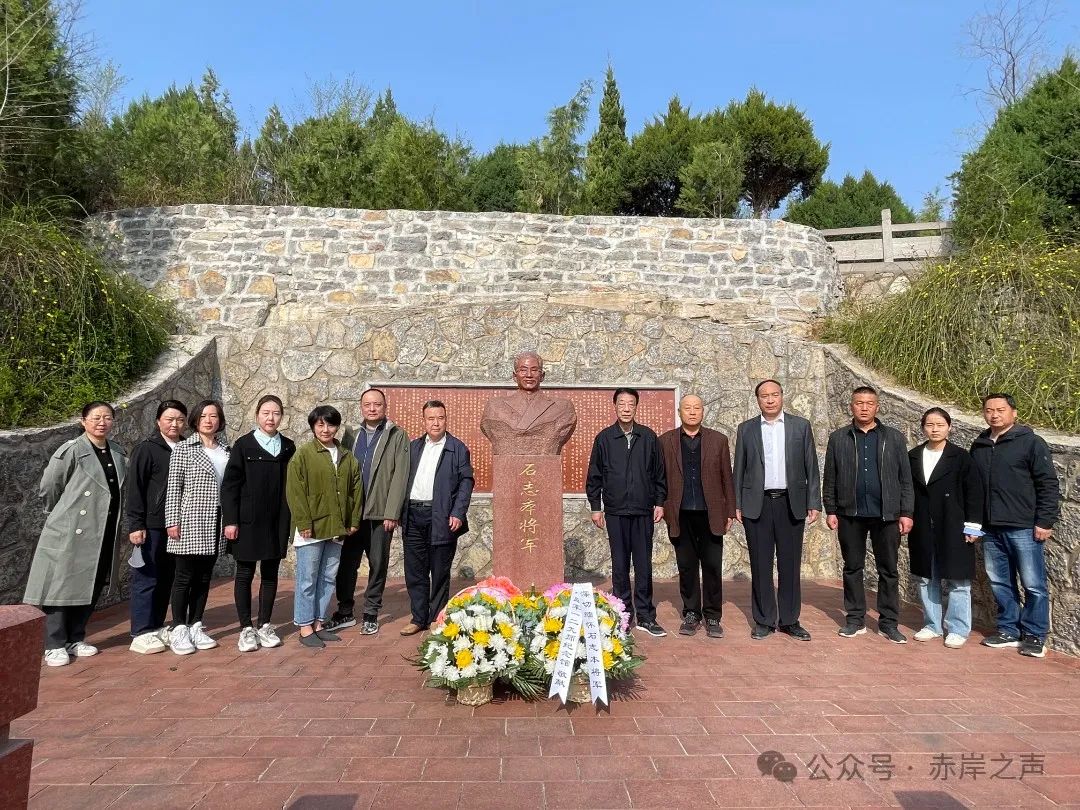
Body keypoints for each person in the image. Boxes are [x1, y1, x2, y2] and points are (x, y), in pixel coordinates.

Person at [25, 402, 127, 667]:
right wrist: (63, 515)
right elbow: (49, 487)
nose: (101, 422)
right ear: (83, 421)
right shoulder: (72, 450)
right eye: (95, 418)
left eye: (107, 417)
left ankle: (75, 637)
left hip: (103, 529)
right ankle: (54, 643)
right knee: (60, 585)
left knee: (91, 582)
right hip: (71, 529)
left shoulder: (117, 452)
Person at [971, 393, 1060, 658]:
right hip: (990, 528)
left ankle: (1034, 635)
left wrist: (1045, 520)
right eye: (989, 410)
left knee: (1033, 584)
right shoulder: (980, 445)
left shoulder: (1031, 443)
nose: (994, 415)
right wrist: (975, 524)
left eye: (1000, 409)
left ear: (1014, 413)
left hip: (1023, 526)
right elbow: (974, 488)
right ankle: (1009, 629)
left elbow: (1048, 484)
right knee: (1000, 582)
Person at [822, 386, 914, 643]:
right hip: (850, 514)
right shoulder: (838, 438)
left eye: (869, 403)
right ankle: (855, 619)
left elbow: (905, 479)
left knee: (889, 570)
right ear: (851, 406)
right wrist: (831, 509)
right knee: (852, 568)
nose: (864, 407)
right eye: (859, 403)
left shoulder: (894, 438)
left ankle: (888, 623)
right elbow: (830, 477)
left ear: (877, 406)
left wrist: (906, 512)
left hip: (886, 515)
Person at [734, 380, 821, 641]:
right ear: (757, 400)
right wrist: (737, 503)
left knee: (790, 564)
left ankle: (790, 620)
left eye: (774, 395)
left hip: (790, 503)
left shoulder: (800, 426)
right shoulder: (746, 429)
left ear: (782, 396)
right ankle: (763, 620)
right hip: (757, 504)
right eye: (764, 396)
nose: (770, 400)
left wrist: (813, 502)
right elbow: (739, 468)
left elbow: (811, 467)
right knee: (760, 564)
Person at [325, 388, 409, 635]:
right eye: (367, 405)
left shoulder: (397, 435)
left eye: (377, 405)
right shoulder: (351, 435)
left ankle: (371, 612)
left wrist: (392, 512)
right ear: (361, 407)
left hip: (381, 514)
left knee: (377, 563)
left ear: (385, 407)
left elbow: (400, 476)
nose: (372, 409)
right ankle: (345, 611)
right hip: (353, 514)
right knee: (346, 565)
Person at [586, 388, 668, 637]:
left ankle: (645, 616)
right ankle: (622, 614)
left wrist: (660, 502)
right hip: (616, 511)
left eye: (630, 404)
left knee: (643, 564)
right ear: (615, 406)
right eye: (621, 403)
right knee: (620, 564)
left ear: (636, 407)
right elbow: (595, 475)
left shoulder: (648, 437)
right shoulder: (604, 438)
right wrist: (596, 507)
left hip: (643, 511)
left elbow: (659, 474)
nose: (625, 408)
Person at [220, 395, 296, 652]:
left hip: (276, 521)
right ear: (257, 415)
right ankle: (245, 628)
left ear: (281, 416)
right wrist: (231, 520)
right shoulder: (244, 445)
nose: (270, 418)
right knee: (244, 574)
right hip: (247, 521)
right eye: (266, 412)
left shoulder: (288, 447)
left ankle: (265, 624)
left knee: (270, 574)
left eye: (275, 413)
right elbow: (230, 486)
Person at [658, 394, 735, 639]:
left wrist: (730, 510)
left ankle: (713, 615)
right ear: (680, 412)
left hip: (711, 513)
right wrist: (661, 506)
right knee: (686, 566)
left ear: (703, 411)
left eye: (697, 408)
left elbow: (727, 478)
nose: (692, 412)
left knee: (712, 566)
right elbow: (660, 479)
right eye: (687, 408)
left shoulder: (718, 440)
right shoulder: (666, 441)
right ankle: (691, 613)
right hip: (680, 514)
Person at [286, 405, 363, 649]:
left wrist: (353, 521)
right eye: (320, 424)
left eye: (330, 424)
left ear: (337, 427)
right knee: (308, 578)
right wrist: (304, 523)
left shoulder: (346, 456)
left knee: (328, 577)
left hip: (337, 527)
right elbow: (295, 492)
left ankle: (319, 622)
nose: (325, 429)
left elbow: (356, 491)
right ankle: (305, 625)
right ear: (313, 427)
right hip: (311, 527)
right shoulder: (303, 454)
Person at [908, 407, 985, 649]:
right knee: (924, 577)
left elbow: (974, 492)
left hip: (953, 525)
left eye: (940, 424)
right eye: (930, 425)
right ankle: (932, 624)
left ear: (949, 427)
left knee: (957, 579)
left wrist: (973, 526)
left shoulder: (961, 457)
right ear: (923, 427)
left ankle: (958, 628)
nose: (934, 429)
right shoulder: (913, 456)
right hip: (922, 525)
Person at [400, 400, 474, 636]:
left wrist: (458, 512)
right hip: (413, 515)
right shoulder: (413, 447)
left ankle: (437, 616)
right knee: (415, 570)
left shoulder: (457, 448)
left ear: (445, 419)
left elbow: (466, 482)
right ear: (424, 421)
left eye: (440, 418)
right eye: (431, 418)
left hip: (442, 516)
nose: (435, 422)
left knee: (439, 571)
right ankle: (418, 617)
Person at [165, 399, 230, 655]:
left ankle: (196, 624)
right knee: (183, 577)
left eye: (213, 416)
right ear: (195, 419)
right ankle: (179, 627)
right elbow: (174, 488)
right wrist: (172, 521)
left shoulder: (226, 450)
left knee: (204, 577)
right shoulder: (183, 448)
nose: (208, 420)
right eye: (203, 415)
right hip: (190, 520)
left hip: (216, 520)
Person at [125, 400, 187, 655]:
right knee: (147, 577)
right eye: (169, 419)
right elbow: (135, 489)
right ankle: (140, 631)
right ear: (158, 422)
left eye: (180, 419)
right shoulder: (147, 449)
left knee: (167, 578)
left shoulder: (186, 448)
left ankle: (157, 625)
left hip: (178, 526)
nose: (175, 424)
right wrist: (136, 524)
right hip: (152, 525)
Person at [480, 351, 577, 455]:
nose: (529, 375)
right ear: (514, 376)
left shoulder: (563, 408)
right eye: (523, 370)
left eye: (534, 370)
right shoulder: (495, 406)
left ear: (542, 376)